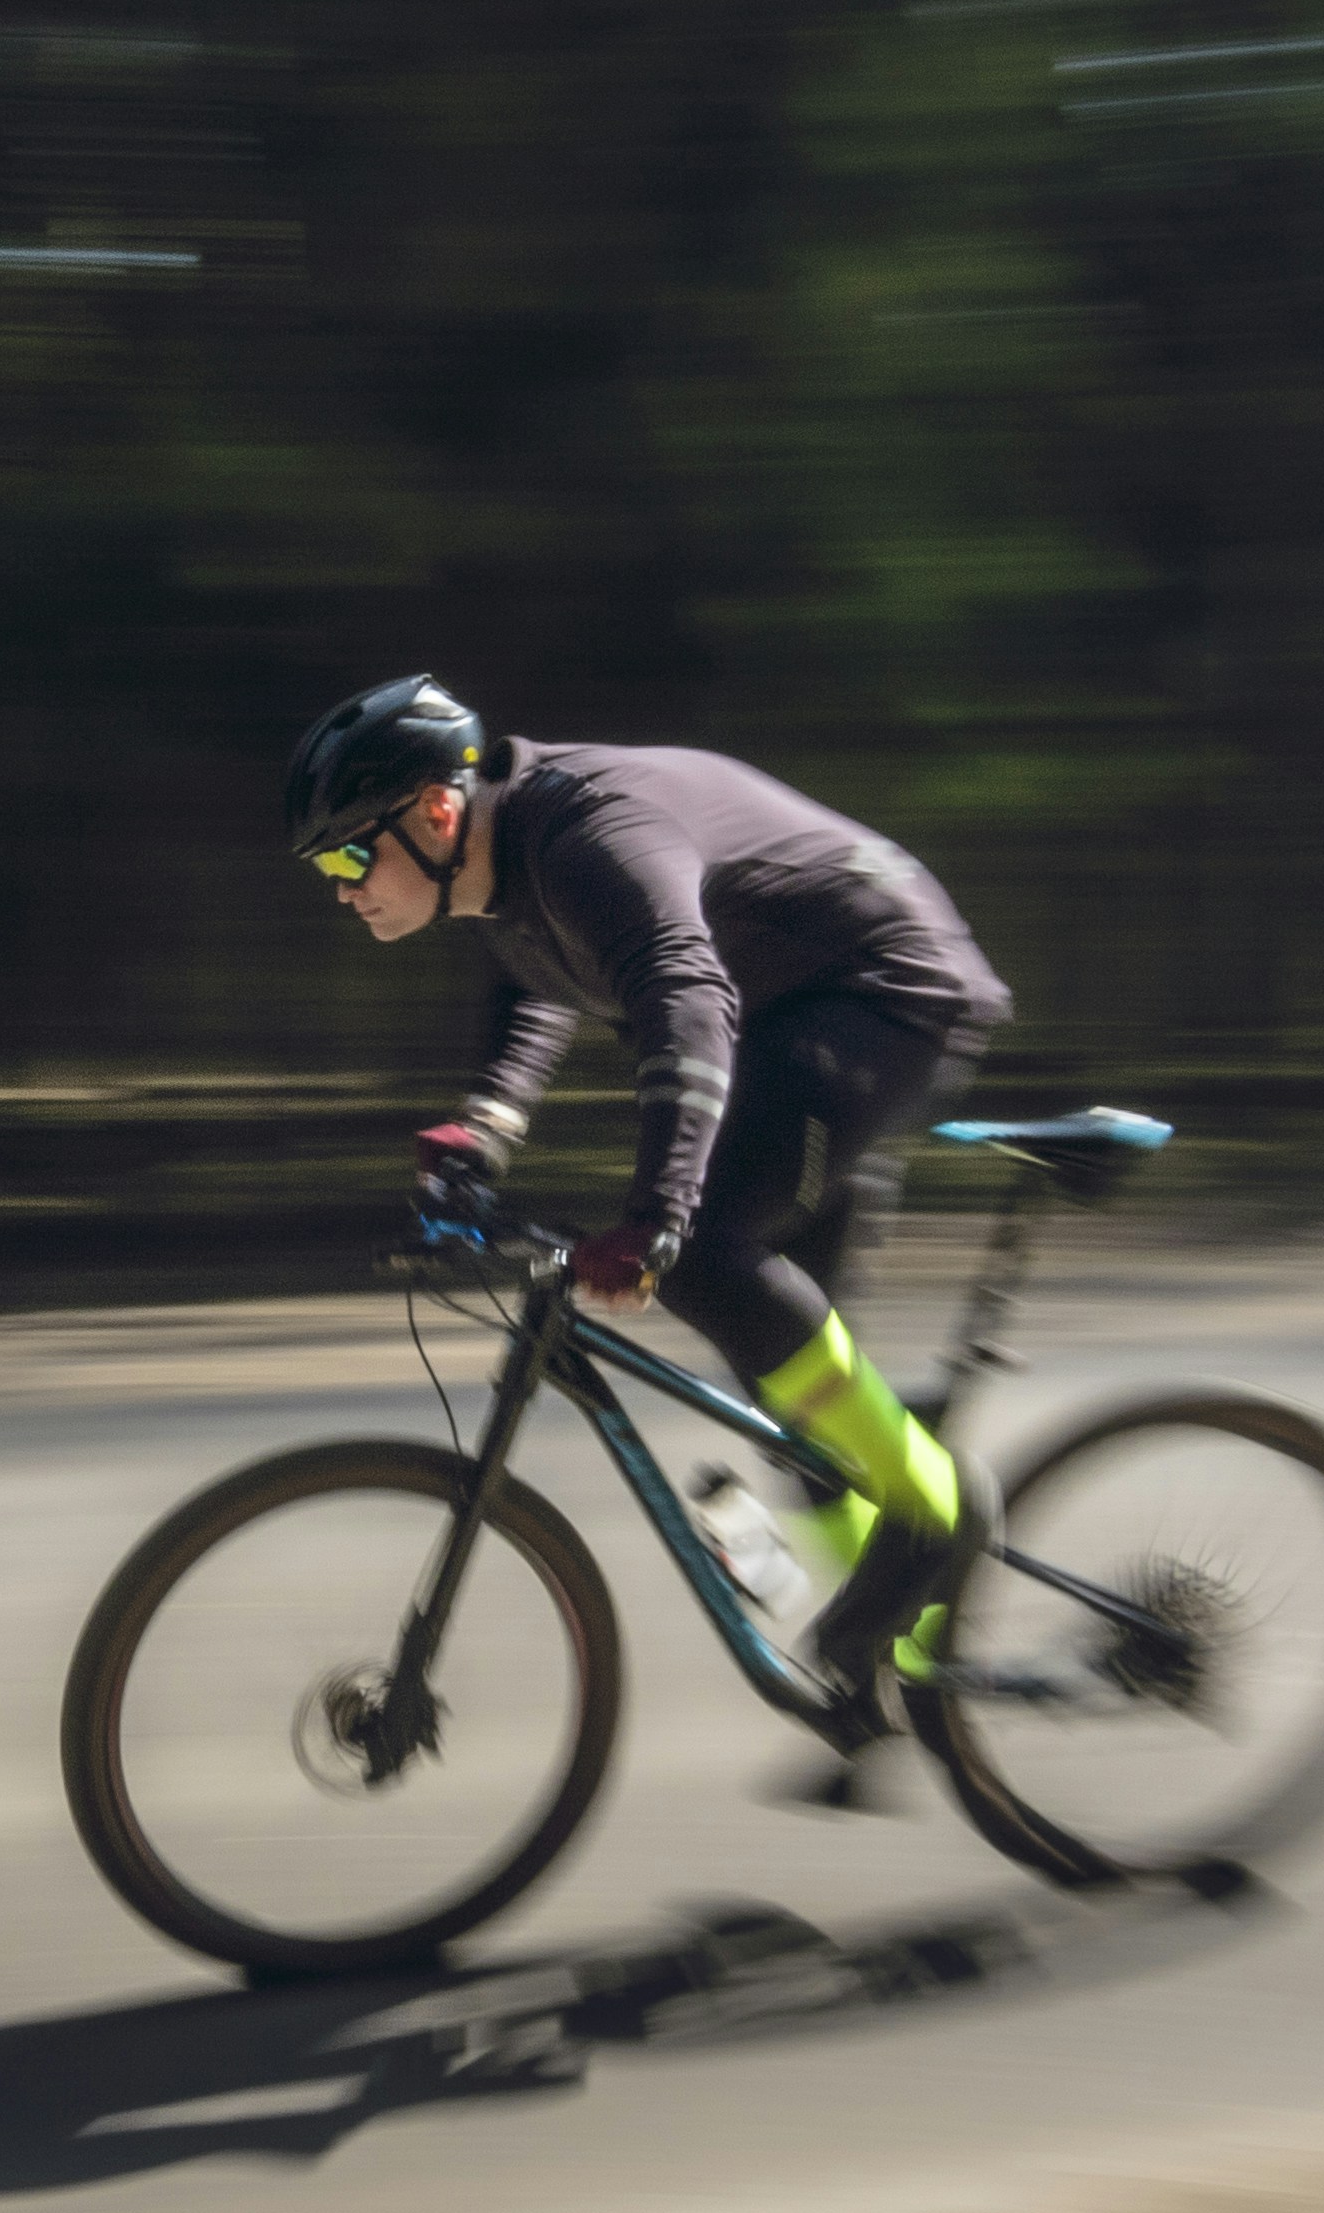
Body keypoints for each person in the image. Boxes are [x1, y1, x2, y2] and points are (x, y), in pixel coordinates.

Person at [285, 672, 1009, 1710]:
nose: (342, 884)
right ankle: (918, 1654)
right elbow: (533, 978)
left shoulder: (586, 835)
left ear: (435, 812)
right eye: (325, 866)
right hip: (779, 1014)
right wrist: (483, 1130)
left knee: (711, 1261)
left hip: (880, 989)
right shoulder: (502, 866)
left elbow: (684, 988)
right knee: (790, 1380)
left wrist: (660, 1214)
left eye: (351, 851)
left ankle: (938, 1515)